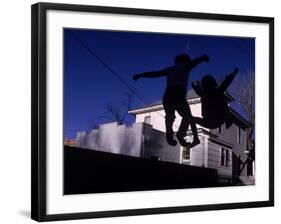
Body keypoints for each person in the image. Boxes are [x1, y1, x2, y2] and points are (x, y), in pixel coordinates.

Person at [133, 54, 209, 147]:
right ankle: (181, 135)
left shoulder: (170, 69)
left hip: (168, 95)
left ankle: (169, 134)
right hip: (179, 93)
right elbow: (193, 63)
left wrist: (141, 75)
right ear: (186, 61)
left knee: (170, 116)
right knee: (187, 116)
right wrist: (203, 58)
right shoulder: (186, 66)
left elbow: (155, 74)